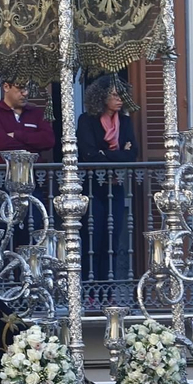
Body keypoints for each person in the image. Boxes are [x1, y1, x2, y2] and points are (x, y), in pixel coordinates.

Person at [75, 74, 136, 280]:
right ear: (102, 97)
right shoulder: (87, 121)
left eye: (121, 95)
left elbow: (132, 153)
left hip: (116, 187)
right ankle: (90, 290)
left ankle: (107, 292)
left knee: (112, 240)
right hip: (93, 189)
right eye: (114, 95)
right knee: (93, 239)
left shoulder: (125, 122)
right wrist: (119, 153)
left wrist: (105, 154)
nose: (119, 99)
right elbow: (89, 154)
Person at [0, 80, 55, 162]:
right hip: (4, 172)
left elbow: (48, 140)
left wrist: (17, 135)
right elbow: (1, 144)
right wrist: (34, 146)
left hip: (34, 172)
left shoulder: (37, 113)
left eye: (28, 88)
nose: (25, 93)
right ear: (6, 87)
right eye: (20, 88)